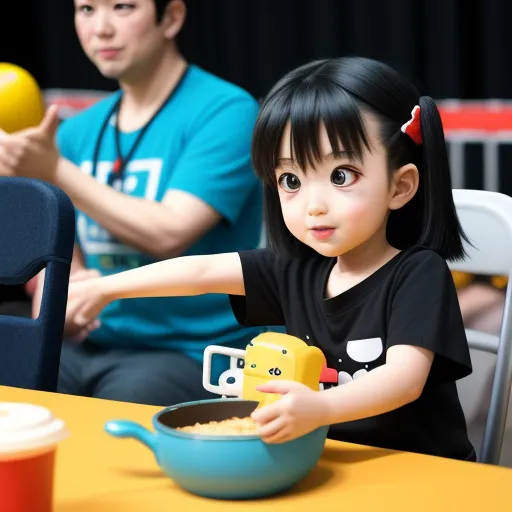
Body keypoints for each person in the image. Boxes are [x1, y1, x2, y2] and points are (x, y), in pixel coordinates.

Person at [64, 56, 476, 461]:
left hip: (419, 469)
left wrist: (321, 408)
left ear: (400, 186)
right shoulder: (295, 270)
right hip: (326, 464)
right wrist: (106, 287)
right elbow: (200, 270)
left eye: (340, 176)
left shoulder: (417, 272)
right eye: (291, 180)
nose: (313, 205)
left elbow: (403, 380)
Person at [0, 0, 264, 406]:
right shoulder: (76, 131)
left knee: (117, 413)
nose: (101, 28)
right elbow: (64, 261)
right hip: (92, 342)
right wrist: (60, 303)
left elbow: (168, 232)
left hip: (193, 352)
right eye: (86, 9)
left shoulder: (228, 111)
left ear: (172, 16)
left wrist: (53, 168)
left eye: (122, 7)